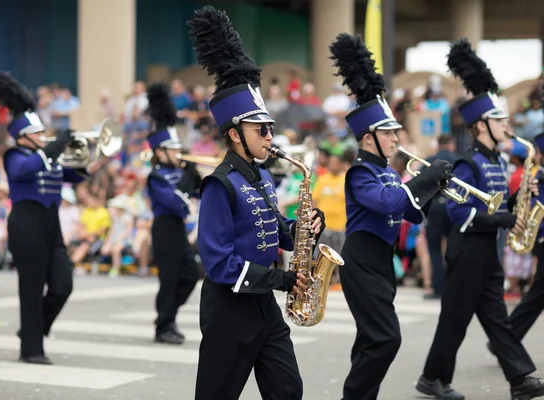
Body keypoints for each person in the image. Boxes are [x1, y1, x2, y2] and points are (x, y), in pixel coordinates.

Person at [188, 7, 326, 400]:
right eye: (260, 129)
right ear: (235, 134)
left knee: (288, 390)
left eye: (270, 128)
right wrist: (281, 280)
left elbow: (280, 233)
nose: (270, 136)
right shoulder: (219, 185)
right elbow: (218, 263)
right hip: (229, 313)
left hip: (264, 309)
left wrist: (307, 228)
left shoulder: (263, 176)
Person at [416, 38, 544, 400]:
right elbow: (460, 213)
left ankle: (519, 380)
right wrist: (504, 220)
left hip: (488, 252)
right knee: (454, 321)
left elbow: (502, 204)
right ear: (481, 126)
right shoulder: (467, 162)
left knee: (498, 319)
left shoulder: (496, 162)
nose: (507, 124)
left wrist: (522, 197)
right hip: (467, 250)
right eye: (499, 119)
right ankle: (432, 379)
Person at [328, 33, 453, 400]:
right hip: (362, 259)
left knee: (370, 339)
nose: (397, 138)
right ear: (368, 139)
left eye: (396, 131)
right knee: (386, 338)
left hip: (382, 260)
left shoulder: (386, 170)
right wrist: (422, 178)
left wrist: (433, 190)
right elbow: (387, 203)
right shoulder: (360, 173)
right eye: (388, 132)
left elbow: (410, 213)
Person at [0, 71, 107, 365]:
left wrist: (101, 155)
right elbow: (23, 172)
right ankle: (32, 348)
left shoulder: (49, 156)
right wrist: (54, 147)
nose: (44, 137)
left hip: (51, 223)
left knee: (62, 285)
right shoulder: (14, 155)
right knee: (31, 288)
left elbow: (76, 174)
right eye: (38, 134)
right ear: (23, 136)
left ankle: (33, 330)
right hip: (26, 223)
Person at [145, 82, 200, 345]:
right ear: (159, 151)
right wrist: (188, 182)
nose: (178, 154)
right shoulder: (156, 176)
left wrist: (196, 178)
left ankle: (167, 316)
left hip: (178, 227)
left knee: (190, 273)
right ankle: (164, 325)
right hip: (164, 227)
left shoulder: (180, 170)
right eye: (173, 150)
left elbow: (199, 193)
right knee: (168, 280)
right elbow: (176, 202)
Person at [486, 130, 544, 350]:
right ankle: (503, 341)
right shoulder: (538, 176)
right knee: (537, 294)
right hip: (541, 236)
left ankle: (503, 340)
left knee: (537, 295)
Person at [423, 135, 458, 299]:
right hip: (454, 206)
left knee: (434, 249)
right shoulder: (458, 160)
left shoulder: (429, 160)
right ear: (451, 144)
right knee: (454, 247)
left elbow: (421, 187)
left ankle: (438, 287)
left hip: (435, 206)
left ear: (438, 145)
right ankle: (454, 286)